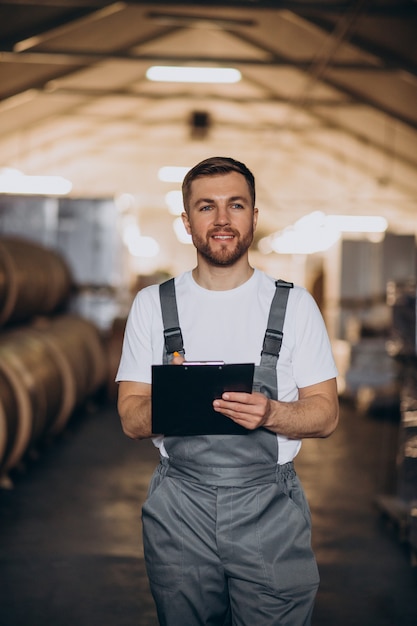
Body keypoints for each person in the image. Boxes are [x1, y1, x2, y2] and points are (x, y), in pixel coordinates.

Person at [116, 156, 339, 626]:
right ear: (186, 220)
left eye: (235, 205)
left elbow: (325, 414)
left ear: (254, 216)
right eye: (206, 207)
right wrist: (190, 397)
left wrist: (271, 413)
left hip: (269, 509)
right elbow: (131, 418)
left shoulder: (295, 306)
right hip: (180, 506)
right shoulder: (153, 306)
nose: (221, 220)